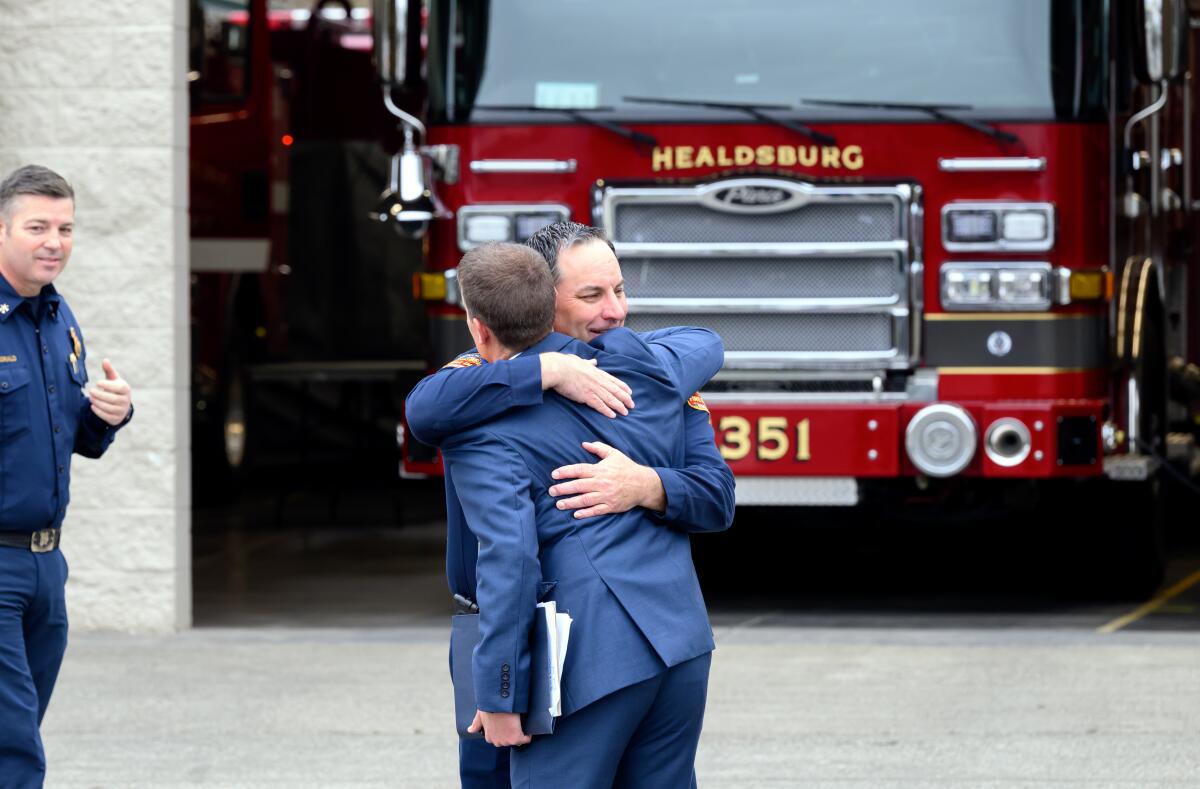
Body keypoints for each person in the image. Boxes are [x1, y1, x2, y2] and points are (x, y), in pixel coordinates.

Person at [405, 222, 733, 787]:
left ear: (479, 326)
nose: (614, 312)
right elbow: (427, 406)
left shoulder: (494, 416)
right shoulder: (643, 376)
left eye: (620, 290)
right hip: (670, 640)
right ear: (541, 297)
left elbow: (510, 555)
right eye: (591, 296)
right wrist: (546, 369)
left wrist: (647, 485)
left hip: (559, 648)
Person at [0, 165, 134, 784]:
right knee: (14, 747)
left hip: (46, 565)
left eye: (65, 227)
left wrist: (110, 414)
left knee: (19, 729)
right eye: (37, 227)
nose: (54, 241)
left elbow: (71, 435)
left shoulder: (58, 318)